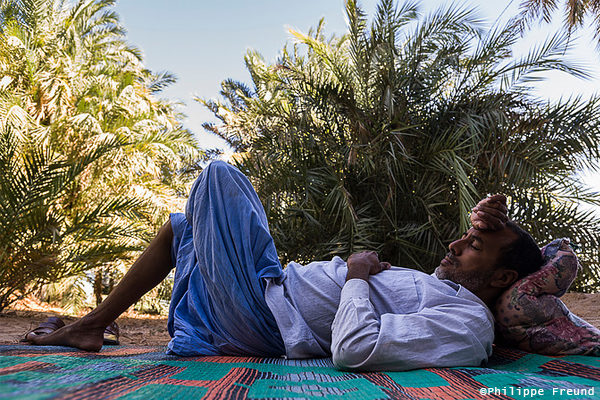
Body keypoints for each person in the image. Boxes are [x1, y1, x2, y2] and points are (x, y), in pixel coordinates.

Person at [25, 161, 544, 371]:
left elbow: (355, 349)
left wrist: (359, 278)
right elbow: (530, 255)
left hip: (263, 315)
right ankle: (90, 326)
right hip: (266, 291)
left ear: (502, 279)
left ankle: (90, 326)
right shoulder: (444, 289)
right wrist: (486, 216)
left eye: (473, 246)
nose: (455, 244)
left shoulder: (469, 325)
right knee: (181, 226)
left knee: (219, 177)